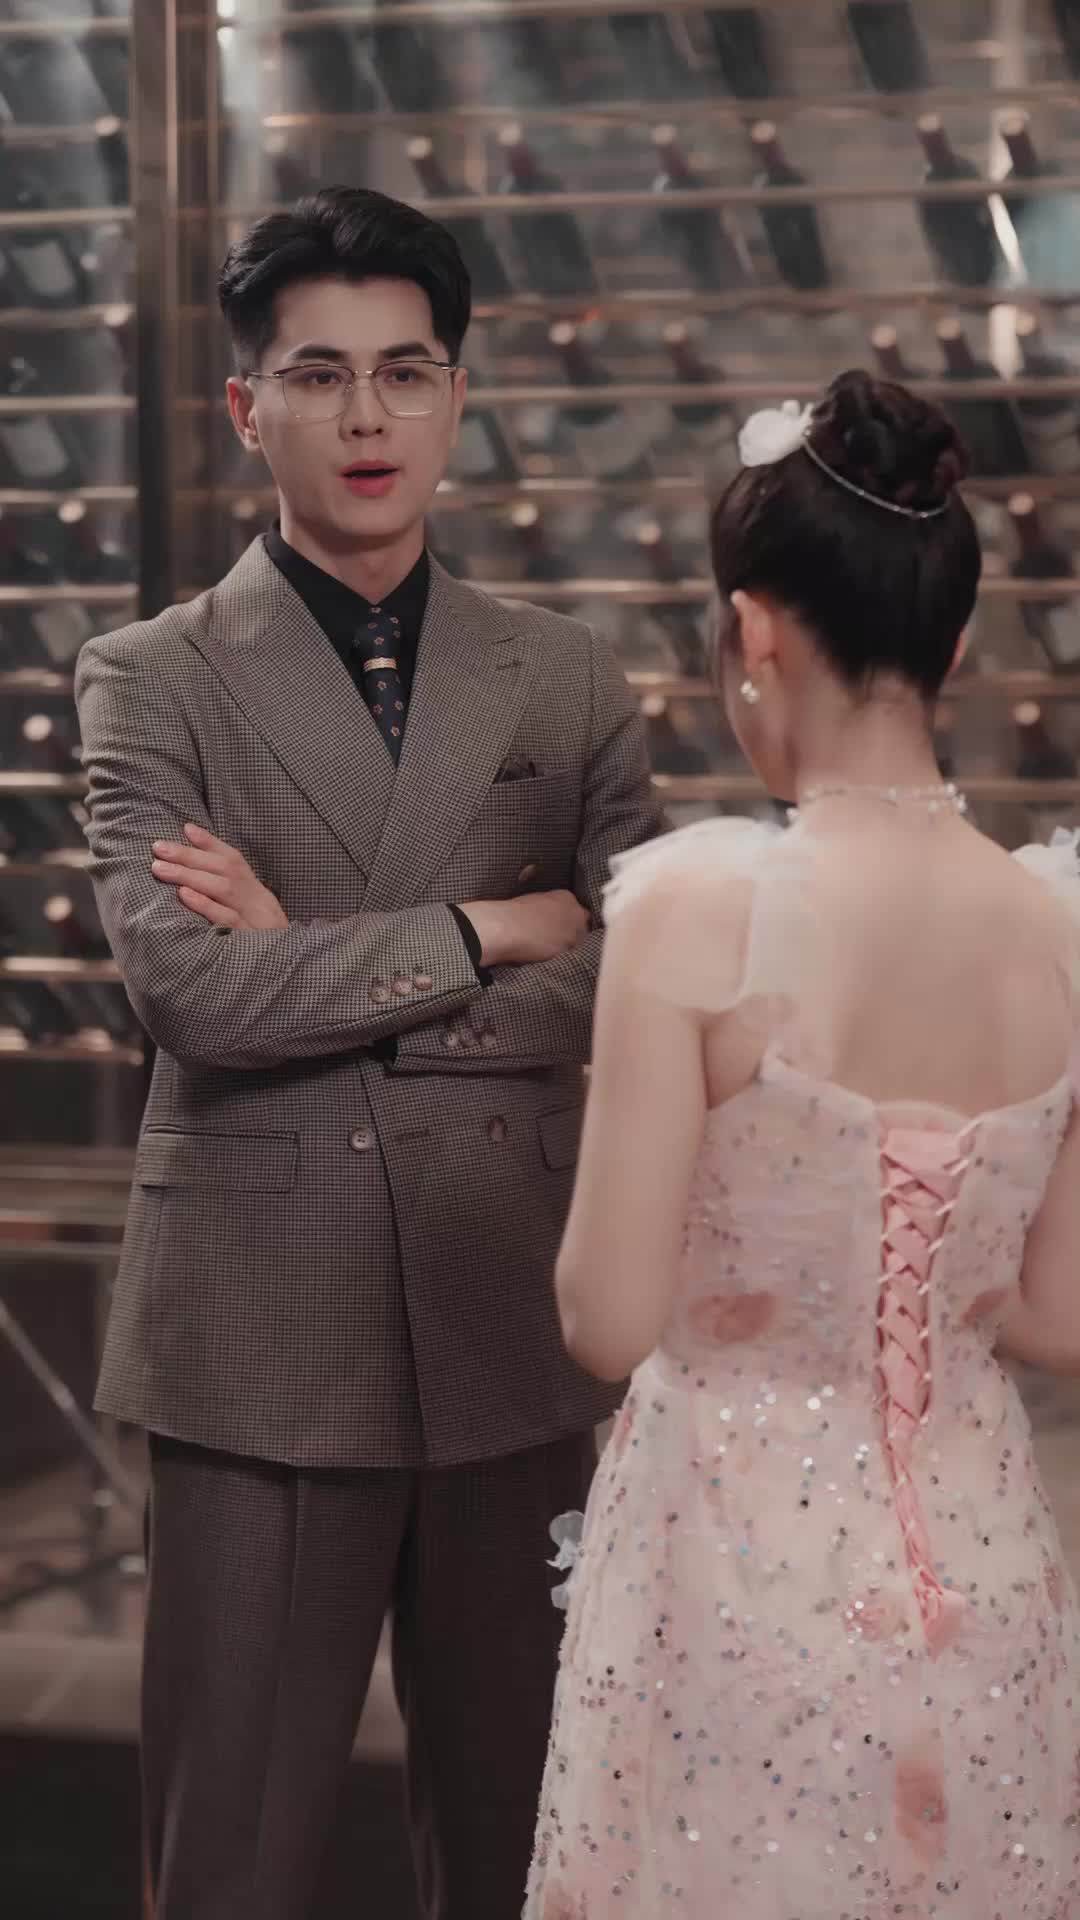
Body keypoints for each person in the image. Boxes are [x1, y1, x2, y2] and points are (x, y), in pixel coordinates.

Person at [75, 185, 663, 1920]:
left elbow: (641, 984)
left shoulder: (563, 676)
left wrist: (315, 967)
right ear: (245, 407)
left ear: (457, 396)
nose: (366, 417)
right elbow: (193, 998)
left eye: (406, 372)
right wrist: (489, 929)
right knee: (231, 1861)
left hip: (510, 1308)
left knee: (527, 1851)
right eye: (319, 376)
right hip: (263, 1332)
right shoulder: (151, 677)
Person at [525, 370, 1080, 1920]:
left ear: (753, 632)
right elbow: (1062, 1315)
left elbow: (607, 1319)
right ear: (953, 649)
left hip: (733, 1577)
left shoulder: (699, 912)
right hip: (983, 1566)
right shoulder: (1060, 932)